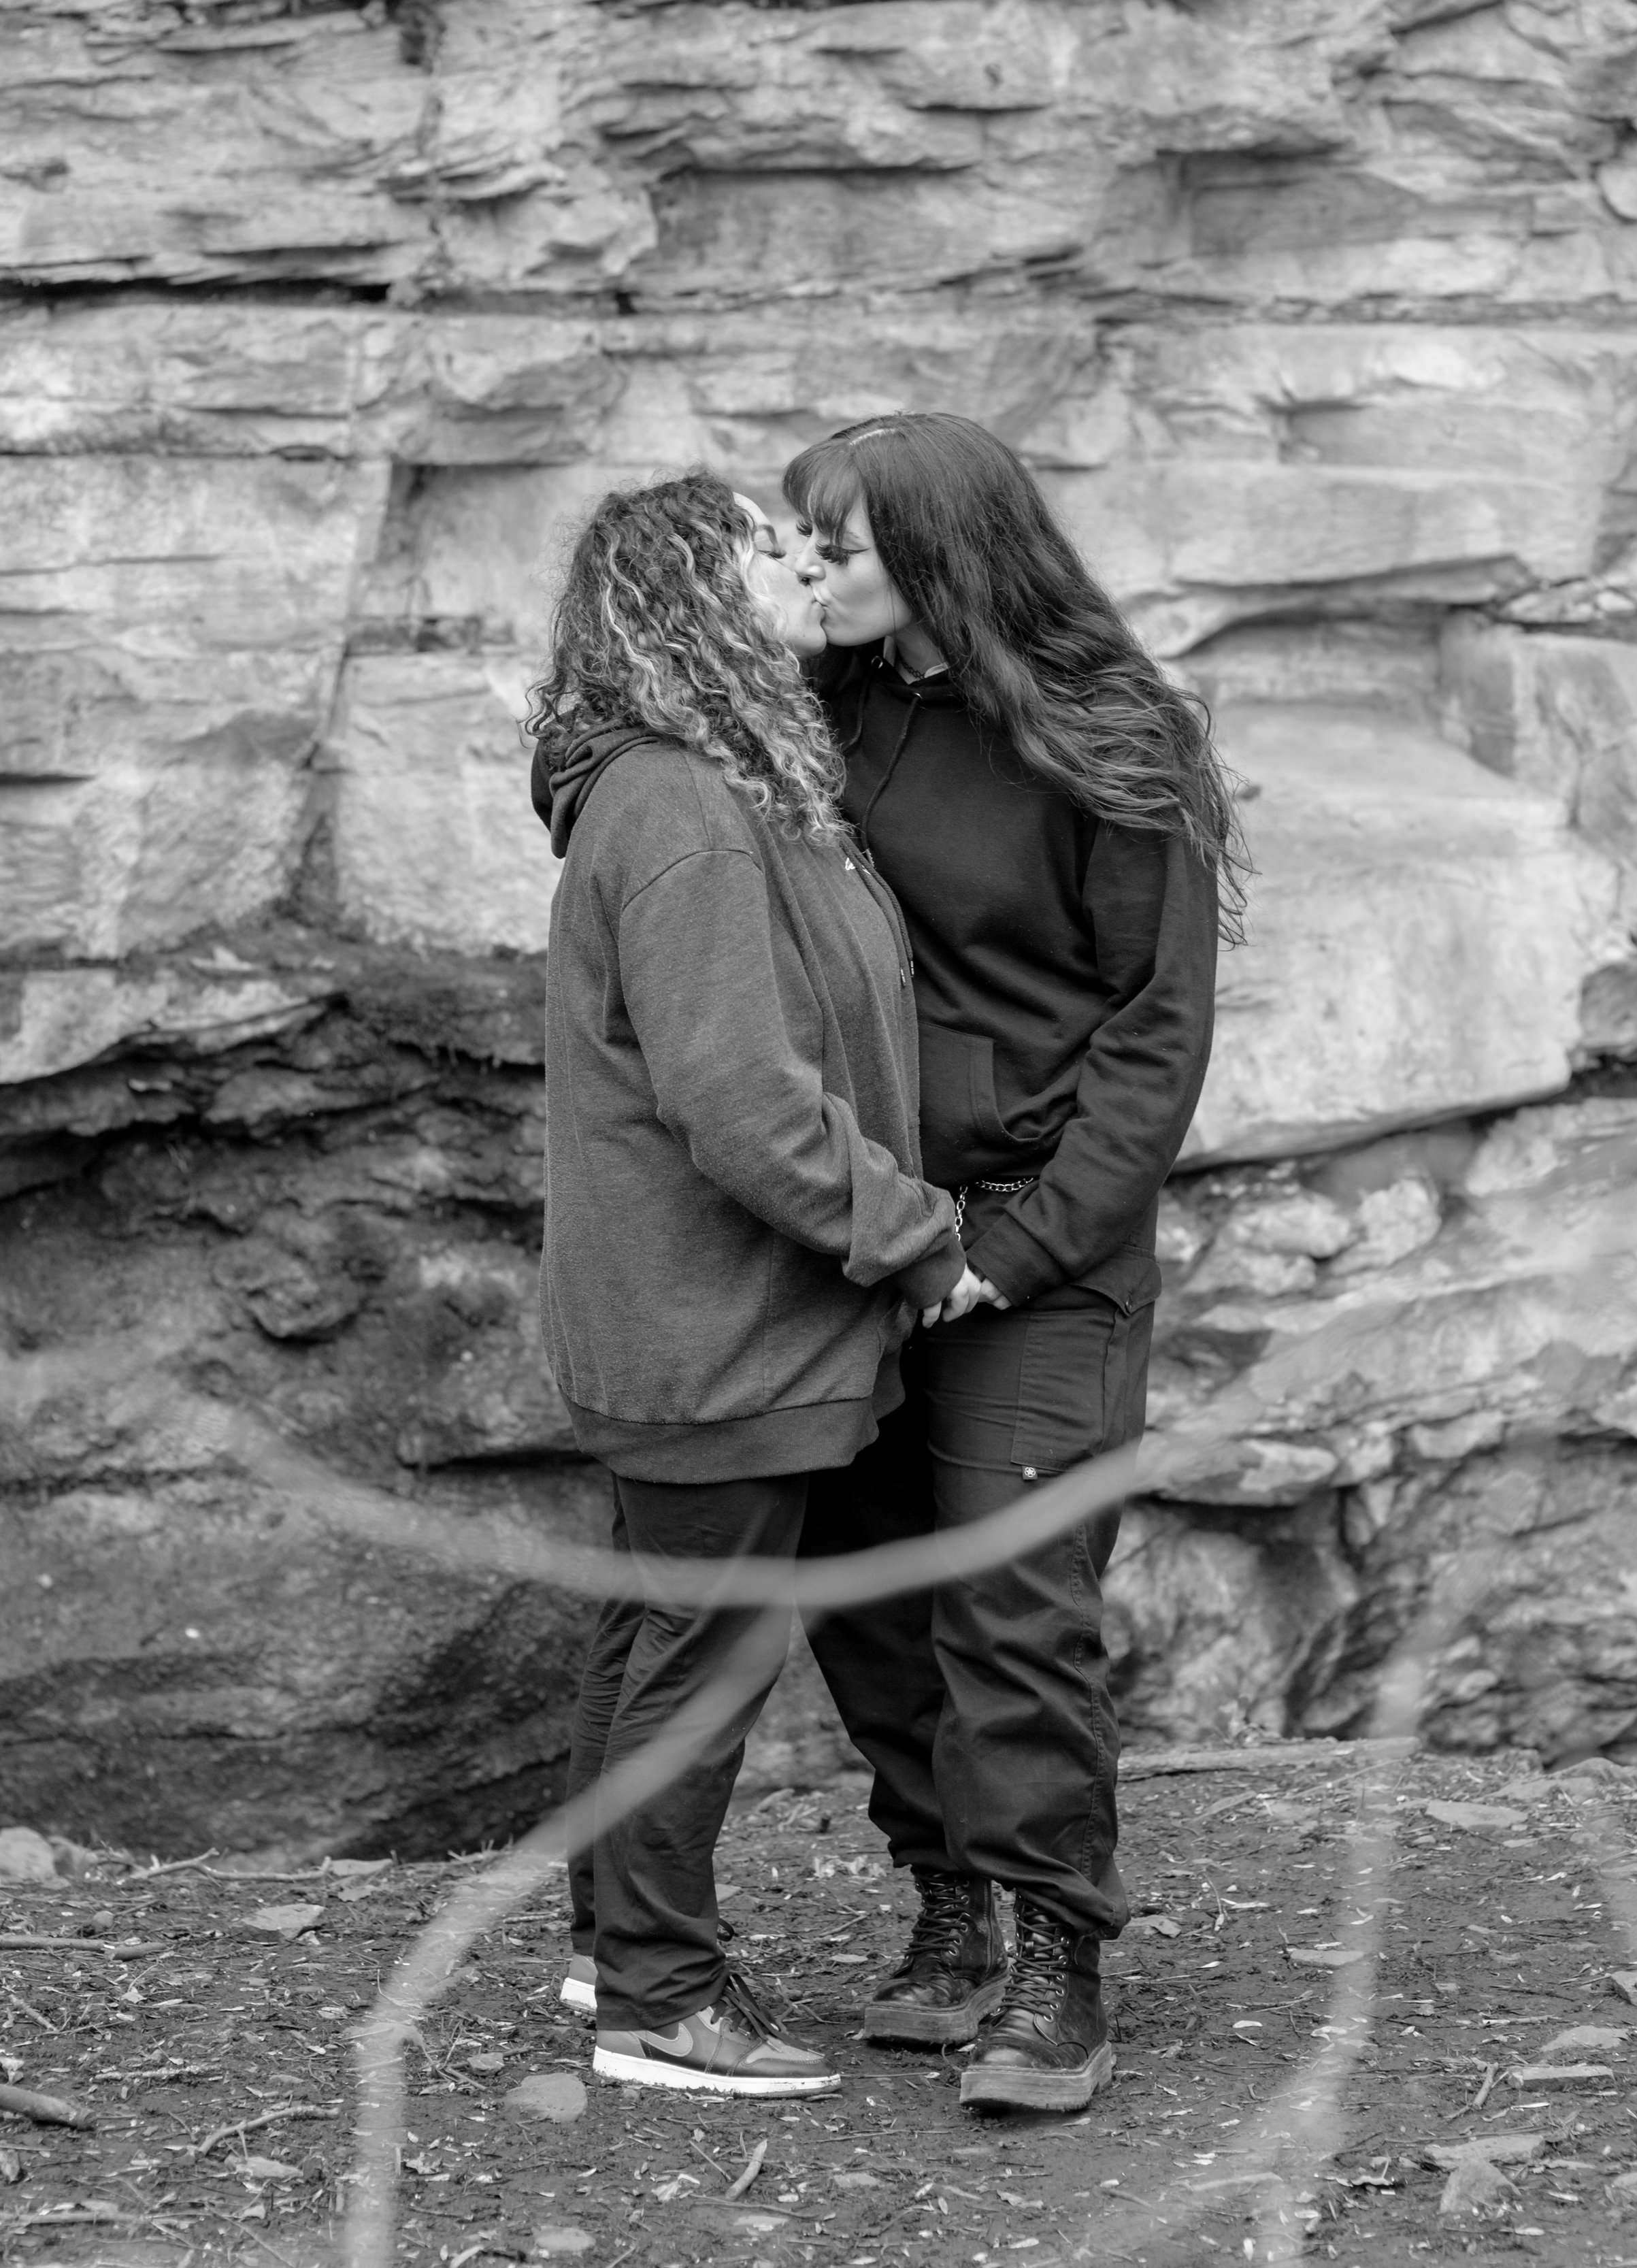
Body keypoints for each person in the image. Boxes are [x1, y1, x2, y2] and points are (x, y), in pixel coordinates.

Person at [784, 412, 1241, 2111]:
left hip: (1032, 1247)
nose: (809, 571)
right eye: (800, 544)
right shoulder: (811, 703)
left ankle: (1059, 1961)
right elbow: (589, 791)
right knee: (859, 1580)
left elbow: (1155, 1031)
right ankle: (949, 1903)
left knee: (1012, 1602)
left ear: (940, 552)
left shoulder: (1112, 737)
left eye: (836, 545)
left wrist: (1016, 1249)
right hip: (838, 1227)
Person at [527, 469, 980, 2099]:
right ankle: (659, 1996)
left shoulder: (707, 782)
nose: (799, 557)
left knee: (658, 1632)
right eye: (762, 544)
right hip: (714, 1318)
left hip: (691, 1314)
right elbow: (743, 1106)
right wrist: (915, 1234)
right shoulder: (680, 810)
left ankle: (608, 1949)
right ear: (688, 601)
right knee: (699, 1653)